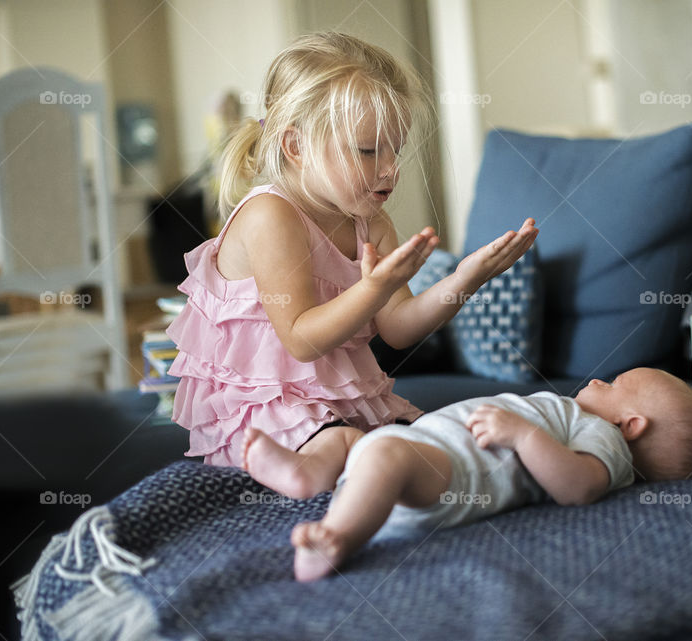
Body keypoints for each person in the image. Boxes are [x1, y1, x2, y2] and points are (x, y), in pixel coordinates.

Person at [165, 31, 538, 467]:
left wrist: (465, 280)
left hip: (338, 402)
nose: (391, 169)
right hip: (262, 409)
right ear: (296, 147)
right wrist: (373, 288)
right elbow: (301, 340)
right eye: (367, 150)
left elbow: (398, 328)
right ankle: (298, 472)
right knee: (344, 450)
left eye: (396, 150)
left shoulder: (373, 223)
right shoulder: (272, 216)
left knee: (438, 447)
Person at [244, 367, 692, 582]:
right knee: (352, 439)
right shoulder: (579, 414)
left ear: (631, 426)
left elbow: (580, 487)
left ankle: (337, 537)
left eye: (614, 385)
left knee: (384, 454)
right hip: (422, 448)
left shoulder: (603, 436)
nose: (598, 379)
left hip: (451, 476)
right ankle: (306, 474)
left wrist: (523, 436)